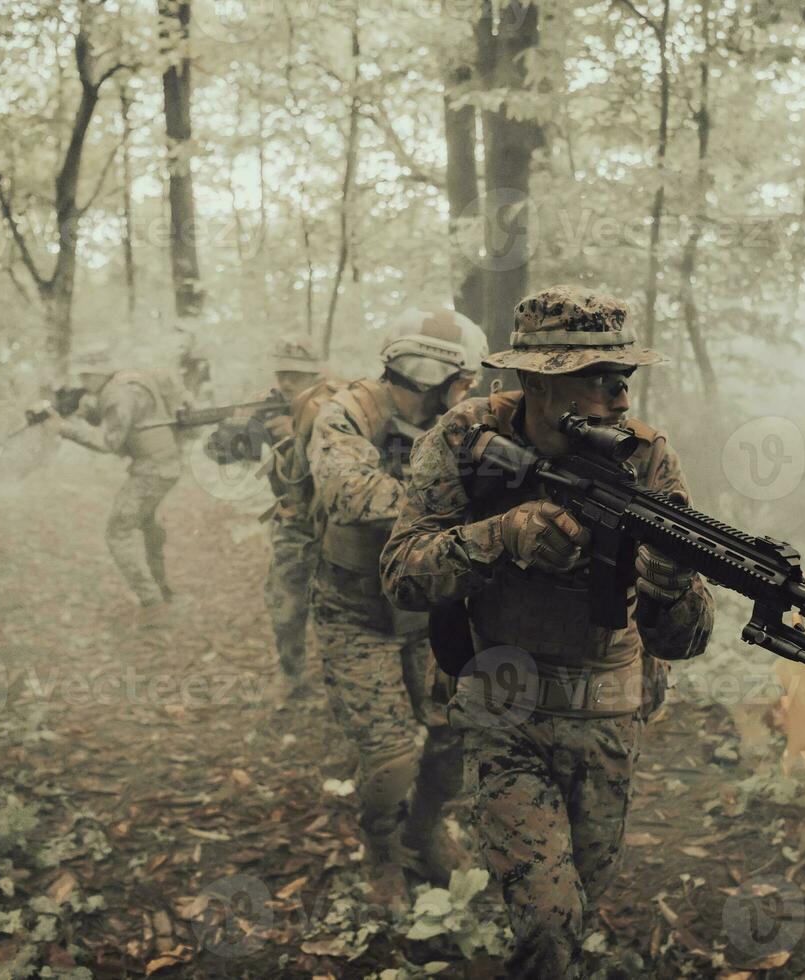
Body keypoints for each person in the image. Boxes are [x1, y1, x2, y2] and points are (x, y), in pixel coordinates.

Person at [380, 285, 715, 977]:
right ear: (535, 379)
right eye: (594, 378)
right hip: (506, 709)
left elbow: (682, 641)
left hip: (607, 715)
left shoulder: (647, 462)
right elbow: (404, 576)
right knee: (549, 926)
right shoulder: (468, 440)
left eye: (622, 378)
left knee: (577, 907)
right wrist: (501, 536)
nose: (619, 399)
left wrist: (672, 583)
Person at [300, 307, 488, 906]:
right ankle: (380, 854)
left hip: (427, 610)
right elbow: (347, 491)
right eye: (462, 383)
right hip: (353, 612)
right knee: (389, 757)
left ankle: (426, 833)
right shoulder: (349, 412)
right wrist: (455, 510)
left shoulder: (461, 424)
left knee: (453, 733)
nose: (469, 395)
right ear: (435, 376)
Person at [206, 336, 339, 698]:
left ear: (316, 373)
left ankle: (344, 680)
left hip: (339, 523)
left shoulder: (342, 403)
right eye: (282, 373)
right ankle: (293, 674)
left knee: (342, 610)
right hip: (294, 521)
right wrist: (237, 427)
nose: (286, 382)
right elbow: (223, 456)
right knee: (285, 602)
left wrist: (299, 434)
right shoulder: (269, 406)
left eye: (296, 375)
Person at [56, 344, 184, 629]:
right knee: (147, 523)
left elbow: (108, 443)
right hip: (167, 463)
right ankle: (161, 588)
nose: (83, 383)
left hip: (151, 470)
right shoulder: (128, 381)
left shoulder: (115, 393)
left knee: (118, 531)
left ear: (98, 373)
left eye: (86, 376)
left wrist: (64, 429)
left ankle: (153, 605)